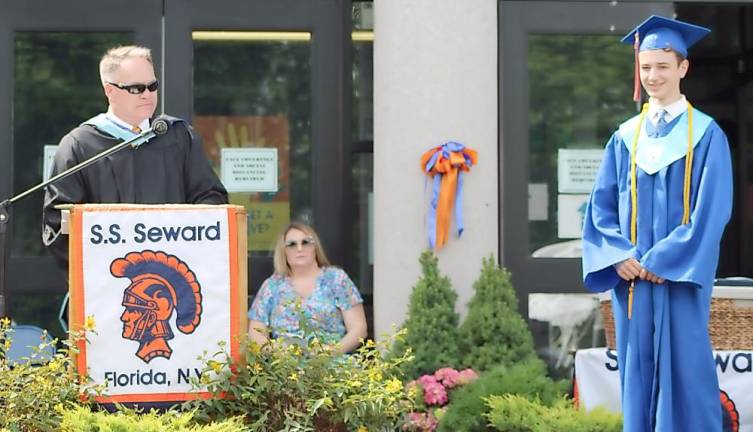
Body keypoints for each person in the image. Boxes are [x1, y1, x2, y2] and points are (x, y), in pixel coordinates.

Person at [582, 16, 732, 432]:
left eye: (662, 67)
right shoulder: (625, 137)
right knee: (637, 374)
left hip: (676, 280)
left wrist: (662, 260)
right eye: (645, 67)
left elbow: (712, 211)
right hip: (632, 284)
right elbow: (601, 208)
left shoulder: (706, 135)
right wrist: (618, 256)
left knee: (687, 372)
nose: (653, 76)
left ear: (683, 68)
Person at [42, 45, 228, 270]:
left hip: (175, 273)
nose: (147, 95)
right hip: (107, 282)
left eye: (152, 86)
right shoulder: (80, 146)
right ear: (110, 91)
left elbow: (211, 198)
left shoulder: (178, 137)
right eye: (136, 88)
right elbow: (58, 222)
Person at [247, 222, 367, 354]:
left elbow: (358, 329)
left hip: (333, 365)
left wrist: (330, 352)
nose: (299, 248)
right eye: (292, 244)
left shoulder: (336, 279)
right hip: (285, 367)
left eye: (305, 242)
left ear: (315, 246)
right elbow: (255, 333)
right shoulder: (272, 286)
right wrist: (277, 352)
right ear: (283, 251)